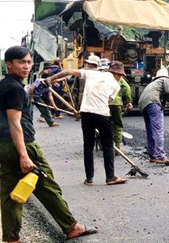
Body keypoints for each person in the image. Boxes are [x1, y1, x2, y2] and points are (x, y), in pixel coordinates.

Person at [0, 45, 97, 243]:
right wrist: (24, 155)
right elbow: (15, 124)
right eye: (21, 62)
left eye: (29, 62)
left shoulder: (7, 85)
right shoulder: (14, 88)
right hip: (21, 146)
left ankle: (12, 239)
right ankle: (71, 227)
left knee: (11, 193)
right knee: (47, 186)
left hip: (4, 147)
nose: (26, 66)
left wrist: (30, 94)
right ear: (9, 64)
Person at [45, 54, 127, 186]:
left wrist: (50, 79)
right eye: (121, 75)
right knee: (108, 146)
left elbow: (68, 71)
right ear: (117, 74)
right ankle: (110, 177)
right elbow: (107, 101)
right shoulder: (116, 85)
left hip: (86, 113)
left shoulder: (92, 74)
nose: (120, 77)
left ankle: (89, 178)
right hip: (102, 114)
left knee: (88, 146)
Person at [138, 67, 169, 165]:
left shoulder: (153, 83)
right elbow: (167, 92)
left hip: (143, 104)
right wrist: (164, 103)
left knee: (150, 130)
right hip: (153, 102)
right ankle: (160, 156)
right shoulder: (165, 79)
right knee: (158, 129)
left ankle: (152, 155)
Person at [108, 61, 133, 148]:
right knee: (117, 125)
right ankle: (117, 147)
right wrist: (129, 101)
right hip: (117, 104)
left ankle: (106, 145)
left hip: (104, 103)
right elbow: (127, 88)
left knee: (104, 124)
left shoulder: (104, 76)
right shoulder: (120, 79)